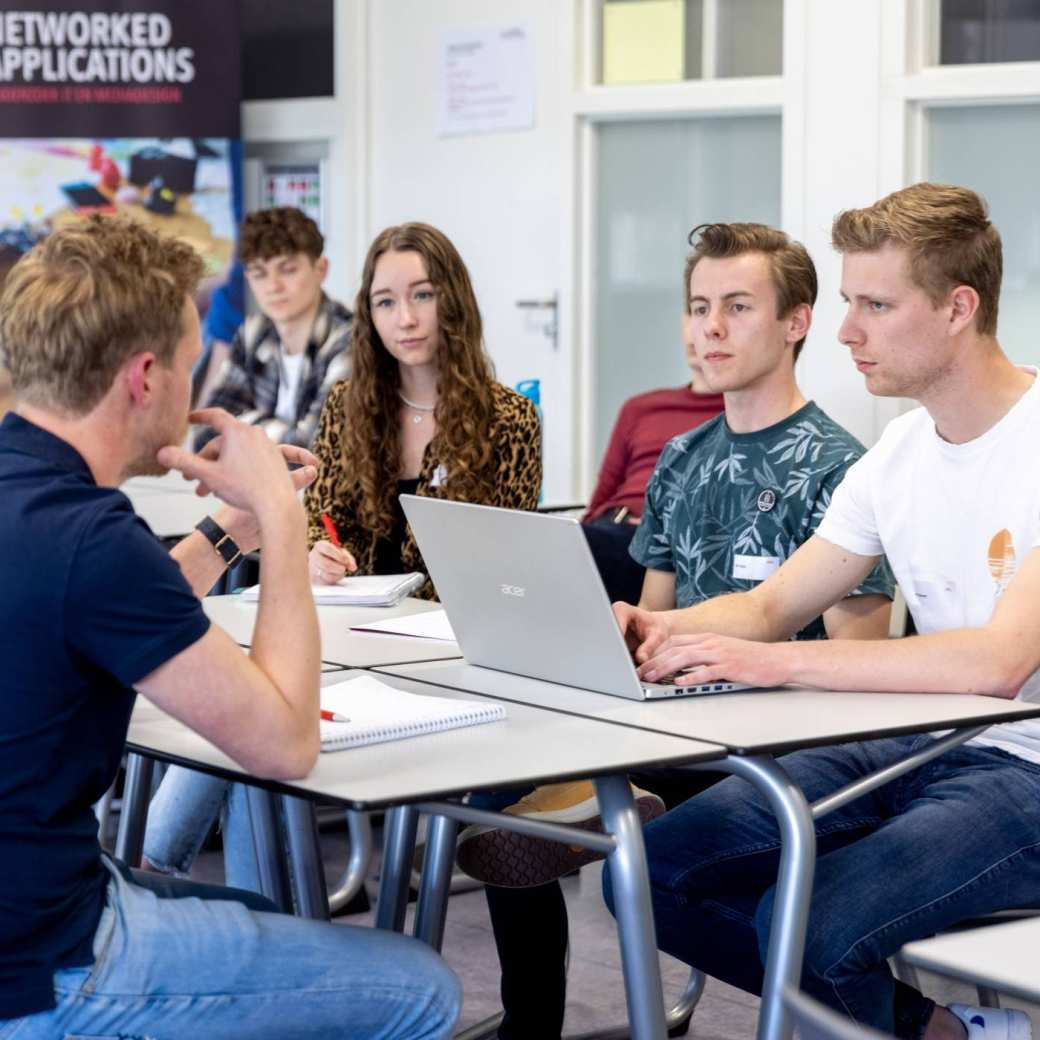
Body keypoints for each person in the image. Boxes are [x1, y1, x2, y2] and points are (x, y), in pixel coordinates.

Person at [0, 216, 460, 1038]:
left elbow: (110, 607)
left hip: (27, 920)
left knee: (252, 909)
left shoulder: (36, 501)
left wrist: (226, 533)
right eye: (187, 365)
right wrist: (285, 522)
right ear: (144, 377)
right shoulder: (93, 538)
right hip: (44, 965)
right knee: (422, 987)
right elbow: (285, 743)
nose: (196, 383)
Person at [610, 184, 1040, 1040]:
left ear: (959, 309)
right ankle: (940, 1029)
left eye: (875, 306)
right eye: (848, 303)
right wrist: (668, 630)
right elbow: (774, 604)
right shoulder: (899, 452)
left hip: (1025, 769)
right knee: (649, 868)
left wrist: (778, 662)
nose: (846, 331)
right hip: (924, 740)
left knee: (809, 921)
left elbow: (999, 665)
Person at [456, 222, 895, 1040]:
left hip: (774, 744)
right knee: (495, 799)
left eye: (737, 307)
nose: (711, 329)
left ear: (797, 321)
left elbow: (861, 664)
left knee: (610, 826)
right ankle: (532, 1026)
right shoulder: (685, 456)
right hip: (662, 720)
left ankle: (615, 805)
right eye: (698, 308)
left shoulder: (843, 467)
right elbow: (653, 617)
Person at [143, 221, 542, 887]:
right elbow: (318, 531)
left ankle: (159, 868)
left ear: (455, 302)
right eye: (386, 302)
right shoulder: (349, 406)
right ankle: (223, 896)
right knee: (249, 709)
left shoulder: (508, 418)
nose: (405, 318)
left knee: (251, 712)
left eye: (422, 296)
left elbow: (500, 570)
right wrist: (319, 556)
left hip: (445, 655)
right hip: (347, 637)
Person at [195, 206, 352, 449]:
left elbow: (318, 449)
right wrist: (283, 434)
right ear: (248, 278)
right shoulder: (252, 332)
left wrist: (240, 428)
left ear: (320, 269)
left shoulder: (351, 339)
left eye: (287, 270)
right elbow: (207, 430)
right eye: (260, 274)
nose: (273, 286)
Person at [581, 363, 723, 604]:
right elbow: (603, 495)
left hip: (665, 539)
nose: (706, 329)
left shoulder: (738, 416)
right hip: (610, 527)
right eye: (692, 321)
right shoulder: (640, 407)